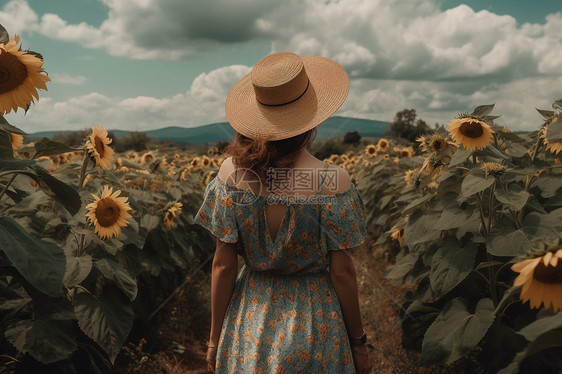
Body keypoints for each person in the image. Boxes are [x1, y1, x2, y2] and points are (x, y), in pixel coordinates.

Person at [194, 52, 373, 373]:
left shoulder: (230, 176)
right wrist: (358, 343)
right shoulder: (331, 181)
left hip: (251, 319)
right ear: (310, 120)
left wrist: (213, 339)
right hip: (315, 323)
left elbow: (223, 265)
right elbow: (342, 273)